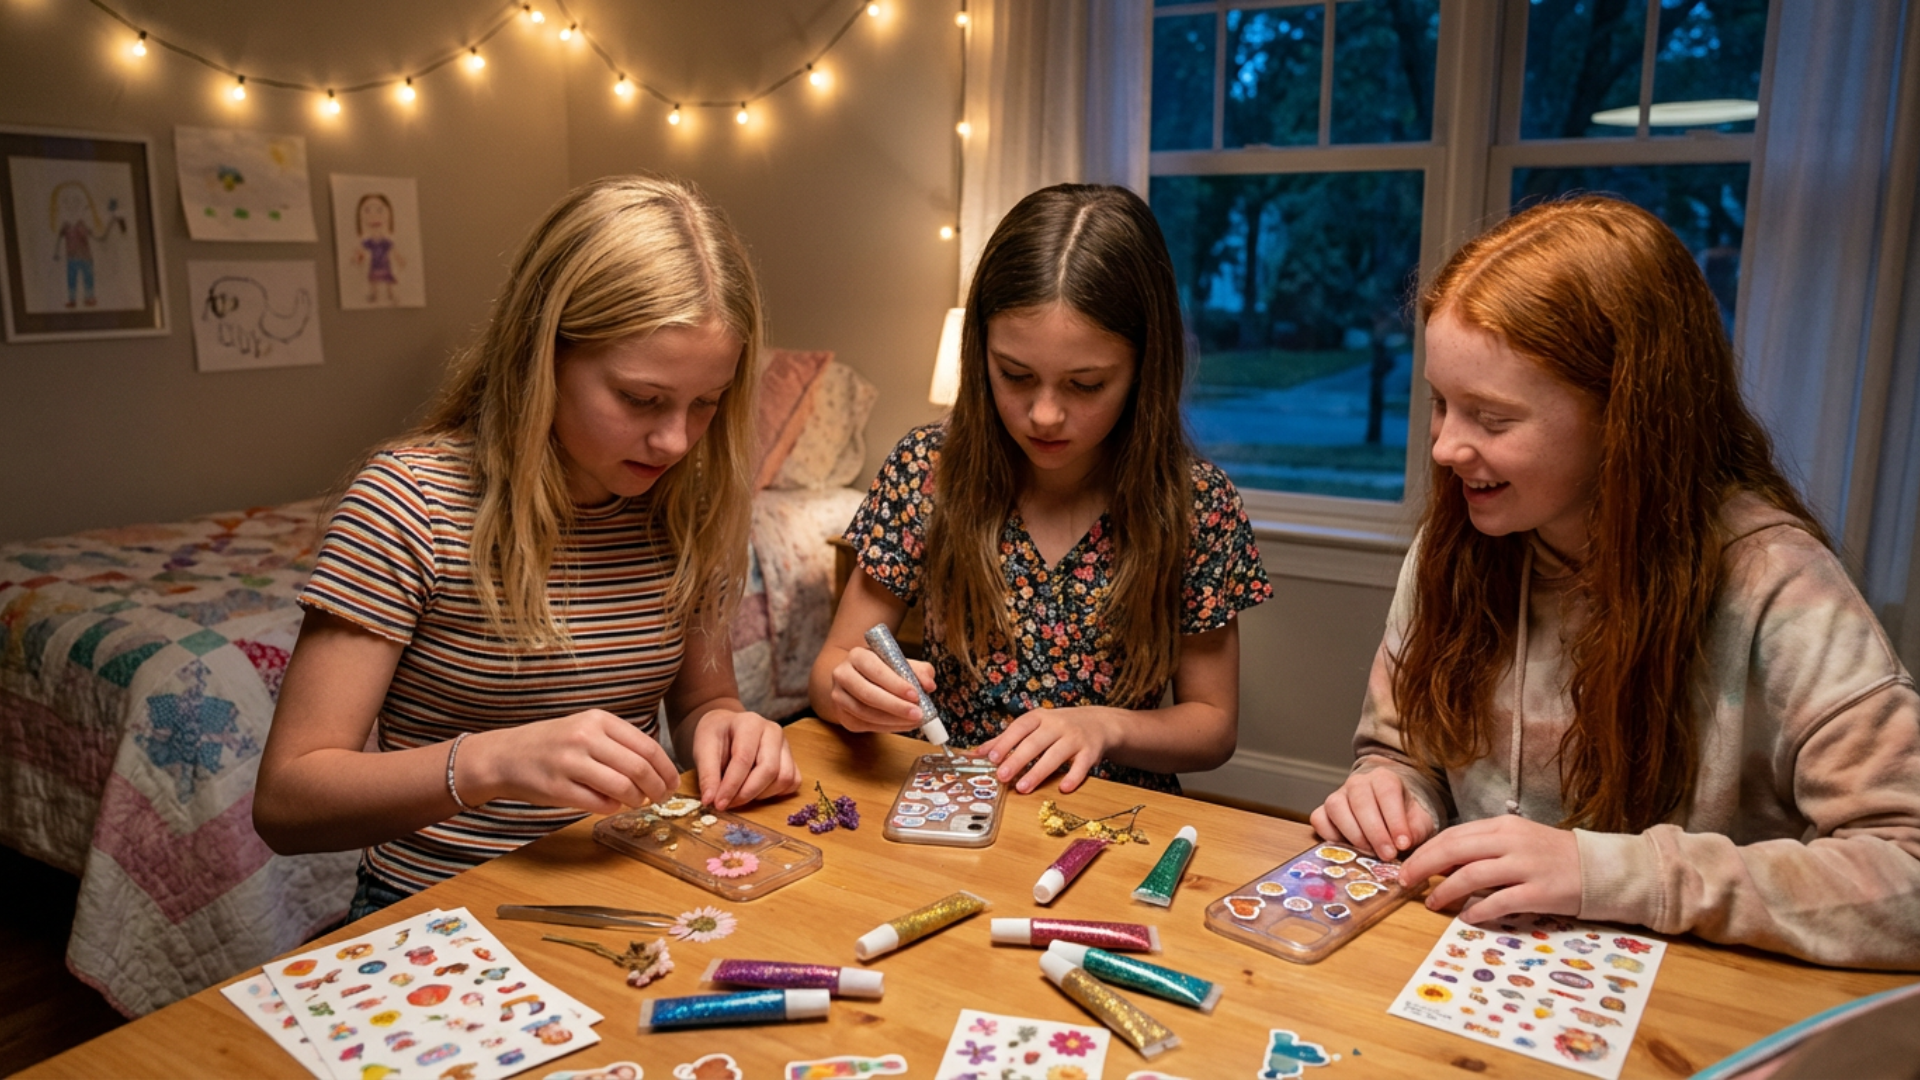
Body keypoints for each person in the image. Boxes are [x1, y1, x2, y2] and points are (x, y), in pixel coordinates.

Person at [1310, 196, 1920, 968]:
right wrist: (1388, 789)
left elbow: (1908, 875)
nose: (1446, 447)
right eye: (1439, 404)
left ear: (1628, 416)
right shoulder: (1456, 544)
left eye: (1492, 419)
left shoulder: (1778, 584)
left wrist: (1609, 872)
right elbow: (1402, 753)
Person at [256, 175, 802, 919]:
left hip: (637, 891)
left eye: (705, 404)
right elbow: (287, 800)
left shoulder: (689, 504)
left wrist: (732, 732)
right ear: (542, 355)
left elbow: (704, 701)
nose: (676, 440)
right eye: (641, 399)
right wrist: (492, 761)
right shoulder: (408, 504)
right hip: (439, 909)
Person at [810, 183, 1272, 796]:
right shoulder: (928, 471)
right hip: (958, 807)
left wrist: (1105, 727)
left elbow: (1212, 727)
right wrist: (852, 694)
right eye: (1016, 376)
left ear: (1144, 370)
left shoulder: (1196, 506)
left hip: (1113, 823)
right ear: (982, 356)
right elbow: (829, 670)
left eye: (1085, 384)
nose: (1045, 414)